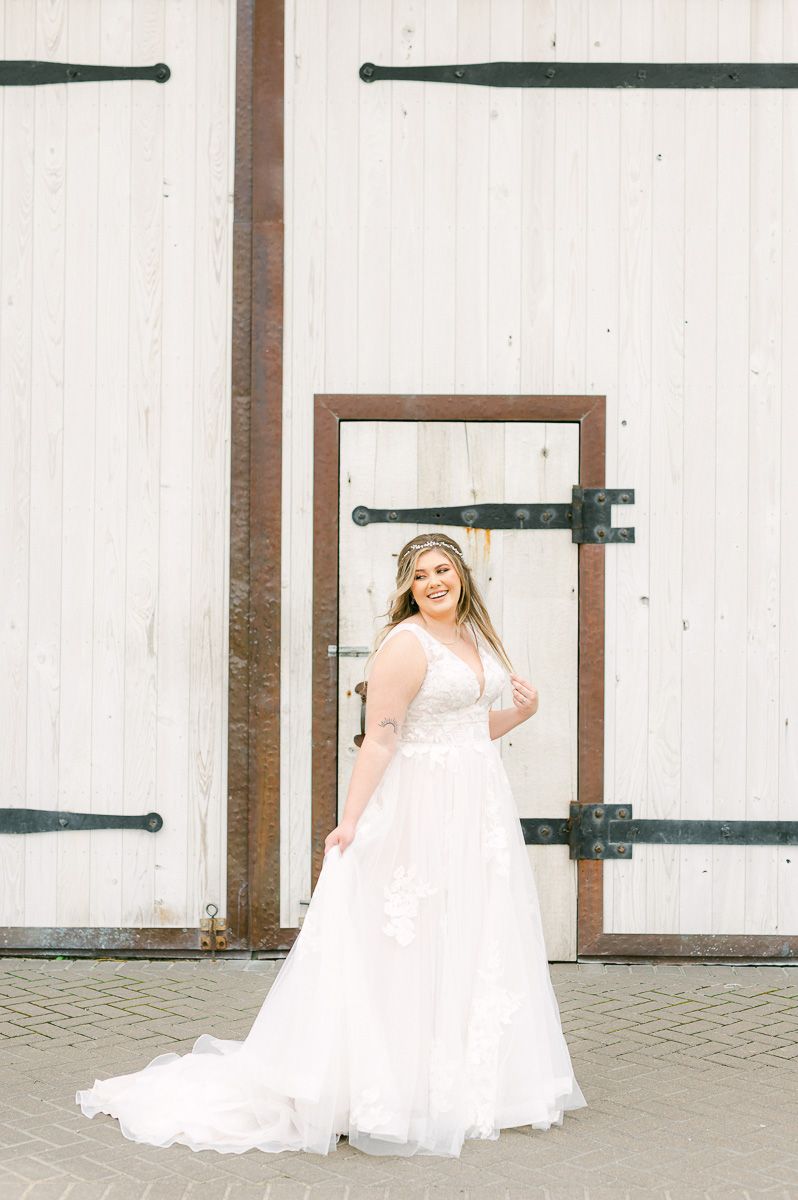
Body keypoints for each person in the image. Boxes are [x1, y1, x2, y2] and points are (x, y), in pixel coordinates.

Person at [76, 532, 587, 1157]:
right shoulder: (405, 646)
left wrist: (521, 716)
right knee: (410, 937)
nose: (434, 581)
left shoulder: (473, 637)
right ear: (408, 586)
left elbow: (467, 729)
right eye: (421, 573)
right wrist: (350, 823)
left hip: (475, 809)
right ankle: (381, 1083)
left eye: (443, 570)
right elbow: (382, 739)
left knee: (468, 933)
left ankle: (458, 1081)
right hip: (420, 808)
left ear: (462, 577)